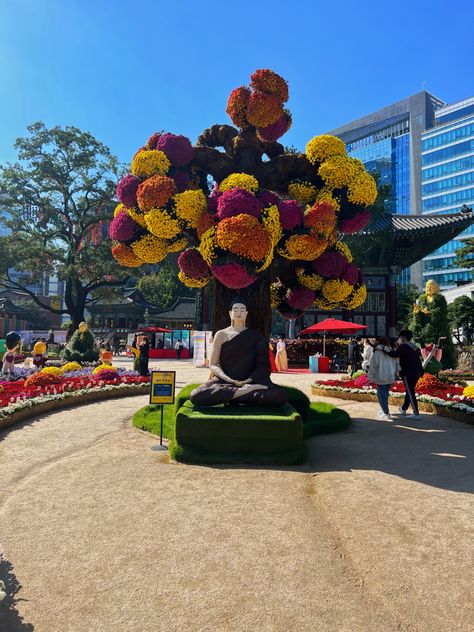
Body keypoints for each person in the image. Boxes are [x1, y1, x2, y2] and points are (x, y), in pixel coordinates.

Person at [190, 298, 288, 406]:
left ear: (246, 314)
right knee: (196, 395)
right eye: (235, 310)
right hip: (225, 381)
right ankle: (243, 392)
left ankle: (231, 396)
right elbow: (213, 364)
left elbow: (263, 366)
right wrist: (227, 379)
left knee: (280, 396)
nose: (238, 313)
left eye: (242, 310)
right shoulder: (221, 334)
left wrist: (247, 381)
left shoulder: (255, 337)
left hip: (251, 381)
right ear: (230, 313)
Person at [385, 329, 424, 419]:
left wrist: (385, 350)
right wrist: (421, 370)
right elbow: (418, 359)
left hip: (407, 373)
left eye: (400, 337)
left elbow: (394, 354)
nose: (399, 339)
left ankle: (416, 413)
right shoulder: (414, 346)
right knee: (409, 391)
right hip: (416, 372)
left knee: (410, 392)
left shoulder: (403, 347)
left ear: (404, 337)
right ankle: (403, 408)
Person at [368, 336, 398, 421]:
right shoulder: (391, 351)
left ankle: (386, 413)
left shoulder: (377, 352)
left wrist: (370, 377)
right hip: (390, 376)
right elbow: (396, 362)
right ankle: (383, 410)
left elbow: (373, 366)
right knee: (385, 395)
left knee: (381, 395)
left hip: (380, 376)